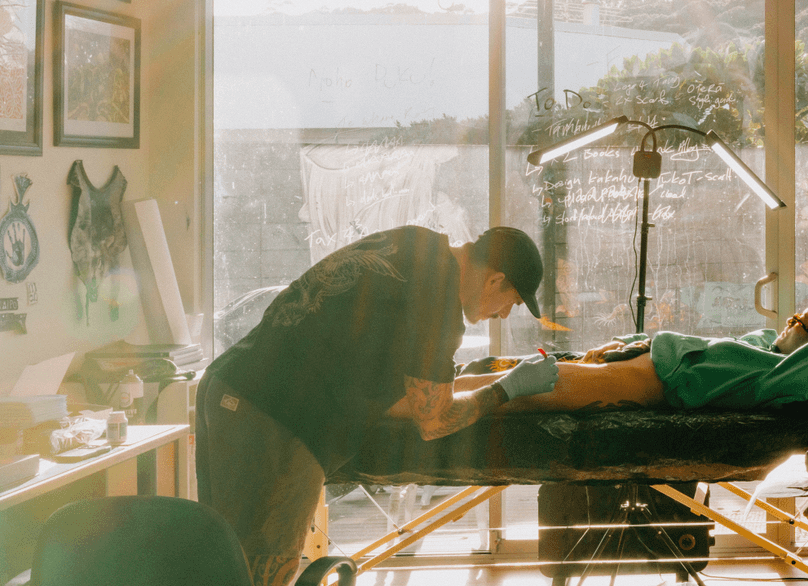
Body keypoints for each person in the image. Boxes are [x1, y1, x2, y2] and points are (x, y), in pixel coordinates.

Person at [196, 225, 557, 586]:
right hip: (272, 415)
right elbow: (434, 420)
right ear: (495, 281)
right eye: (513, 302)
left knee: (224, 561)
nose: (505, 314)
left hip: (229, 386)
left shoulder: (417, 243)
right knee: (261, 573)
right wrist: (508, 388)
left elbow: (379, 372)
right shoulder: (439, 300)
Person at [454, 299, 808, 413]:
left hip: (650, 380)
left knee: (529, 386)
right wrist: (627, 343)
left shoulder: (783, 372)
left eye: (802, 322)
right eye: (796, 313)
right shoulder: (762, 346)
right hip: (638, 356)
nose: (790, 320)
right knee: (506, 367)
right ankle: (432, 384)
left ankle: (408, 402)